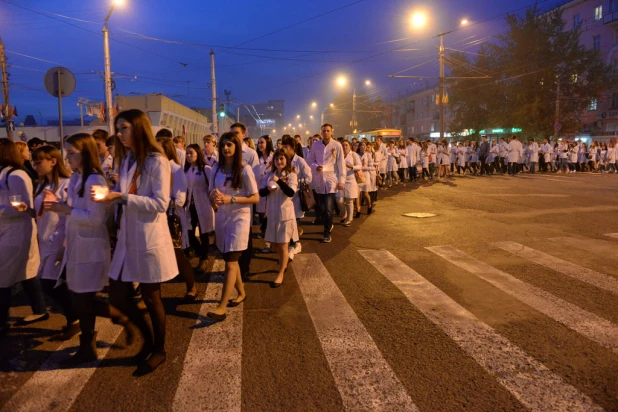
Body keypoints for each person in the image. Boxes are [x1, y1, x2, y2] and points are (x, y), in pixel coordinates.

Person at [95, 110, 178, 376]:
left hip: (149, 238)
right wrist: (111, 194)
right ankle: (146, 338)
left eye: (124, 128)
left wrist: (121, 197)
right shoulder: (129, 158)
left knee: (152, 298)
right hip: (127, 237)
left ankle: (159, 349)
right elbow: (125, 192)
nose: (118, 134)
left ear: (139, 128)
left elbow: (160, 203)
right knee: (118, 294)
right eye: (117, 129)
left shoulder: (156, 160)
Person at [44, 133, 132, 363]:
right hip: (76, 246)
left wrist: (64, 210)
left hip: (91, 248)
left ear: (84, 153)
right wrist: (59, 207)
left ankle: (120, 318)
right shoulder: (76, 178)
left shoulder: (95, 180)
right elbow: (73, 213)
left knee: (82, 301)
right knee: (79, 299)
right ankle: (89, 345)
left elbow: (95, 219)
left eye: (71, 153)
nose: (67, 158)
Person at [207, 132, 258, 320]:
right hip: (222, 217)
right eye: (223, 145)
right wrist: (213, 200)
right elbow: (211, 191)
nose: (226, 148)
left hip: (239, 218)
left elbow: (255, 197)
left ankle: (221, 307)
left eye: (230, 144)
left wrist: (231, 199)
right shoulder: (216, 169)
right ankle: (242, 293)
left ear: (237, 147)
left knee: (230, 262)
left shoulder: (245, 169)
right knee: (229, 257)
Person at [0, 139, 48, 335]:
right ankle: (40, 310)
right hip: (8, 229)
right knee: (27, 272)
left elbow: (24, 208)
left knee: (2, 276)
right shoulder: (5, 173)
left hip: (18, 231)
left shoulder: (16, 175)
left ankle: (2, 321)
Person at [31, 146, 79, 340]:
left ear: (53, 161)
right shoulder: (41, 185)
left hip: (59, 240)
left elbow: (71, 215)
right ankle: (76, 319)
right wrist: (27, 209)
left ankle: (75, 320)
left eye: (39, 161)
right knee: (52, 283)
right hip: (44, 239)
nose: (35, 166)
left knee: (49, 284)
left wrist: (64, 245)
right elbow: (40, 214)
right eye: (33, 162)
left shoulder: (66, 185)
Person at [156, 136, 196, 302]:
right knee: (155, 255)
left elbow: (180, 199)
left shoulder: (176, 170)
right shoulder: (155, 169)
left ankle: (191, 286)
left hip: (172, 217)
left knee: (177, 254)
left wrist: (159, 198)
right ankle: (152, 294)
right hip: (156, 216)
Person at [259, 149, 297, 287]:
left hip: (285, 215)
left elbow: (291, 192)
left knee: (283, 244)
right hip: (272, 214)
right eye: (276, 159)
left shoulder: (291, 175)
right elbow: (261, 193)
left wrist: (279, 181)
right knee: (274, 244)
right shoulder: (269, 174)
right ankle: (285, 259)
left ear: (286, 160)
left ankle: (281, 272)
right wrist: (268, 190)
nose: (279, 162)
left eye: (281, 159)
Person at [307, 124, 346, 243]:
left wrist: (341, 181)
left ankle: (327, 232)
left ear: (332, 132)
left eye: (328, 131)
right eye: (324, 131)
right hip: (318, 179)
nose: (326, 133)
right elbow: (310, 160)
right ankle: (329, 223)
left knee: (329, 208)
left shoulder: (337, 145)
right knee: (322, 208)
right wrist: (315, 166)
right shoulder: (316, 145)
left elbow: (341, 164)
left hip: (331, 179)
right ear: (321, 132)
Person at [230, 123, 258, 278]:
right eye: (231, 133)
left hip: (245, 199)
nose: (234, 136)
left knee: (245, 235)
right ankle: (234, 267)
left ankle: (245, 267)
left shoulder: (251, 154)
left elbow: (256, 177)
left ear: (244, 134)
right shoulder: (226, 152)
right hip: (229, 202)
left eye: (236, 133)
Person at [185, 143, 215, 271]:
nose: (188, 155)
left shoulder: (206, 169)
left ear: (198, 154)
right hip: (189, 207)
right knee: (188, 232)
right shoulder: (186, 170)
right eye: (187, 153)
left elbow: (212, 188)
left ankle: (204, 259)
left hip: (203, 205)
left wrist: (215, 203)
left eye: (191, 153)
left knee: (204, 234)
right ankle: (201, 252)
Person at [281, 135, 311, 254]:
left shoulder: (300, 161)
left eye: (286, 147)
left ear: (292, 147)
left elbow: (309, 178)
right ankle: (290, 242)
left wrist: (294, 180)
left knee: (295, 220)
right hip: (284, 196)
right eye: (283, 146)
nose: (284, 149)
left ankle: (295, 243)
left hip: (297, 196)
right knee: (286, 221)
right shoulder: (283, 159)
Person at [254, 135, 274, 252]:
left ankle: (269, 242)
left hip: (271, 190)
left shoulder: (274, 156)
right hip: (260, 190)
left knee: (270, 217)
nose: (260, 145)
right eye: (259, 143)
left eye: (262, 142)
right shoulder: (256, 157)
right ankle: (268, 238)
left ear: (268, 143)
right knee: (262, 216)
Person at [337, 140, 361, 227]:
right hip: (340, 180)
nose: (344, 147)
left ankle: (349, 219)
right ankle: (344, 214)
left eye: (346, 145)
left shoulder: (354, 155)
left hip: (350, 180)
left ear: (349, 146)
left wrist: (353, 167)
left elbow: (359, 165)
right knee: (339, 200)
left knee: (349, 201)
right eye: (343, 145)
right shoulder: (339, 155)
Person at [357, 141, 373, 215]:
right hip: (358, 175)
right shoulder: (356, 155)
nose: (363, 147)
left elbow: (371, 167)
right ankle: (358, 210)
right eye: (362, 145)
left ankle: (369, 206)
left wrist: (364, 167)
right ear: (359, 147)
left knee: (365, 193)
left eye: (364, 145)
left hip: (366, 175)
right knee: (358, 194)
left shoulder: (368, 155)